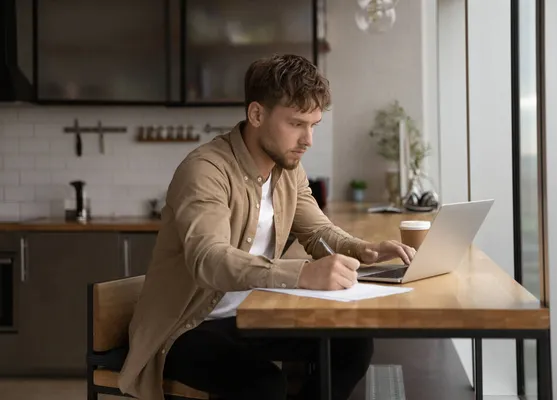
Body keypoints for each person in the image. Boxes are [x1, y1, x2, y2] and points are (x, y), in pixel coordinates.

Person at [118, 54, 416, 400]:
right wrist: (303, 274)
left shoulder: (287, 170)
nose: (308, 140)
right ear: (256, 114)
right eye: (296, 124)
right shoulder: (205, 171)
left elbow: (318, 231)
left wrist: (364, 248)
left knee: (352, 344)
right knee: (263, 384)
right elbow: (208, 260)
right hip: (186, 329)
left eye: (314, 125)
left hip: (249, 319)